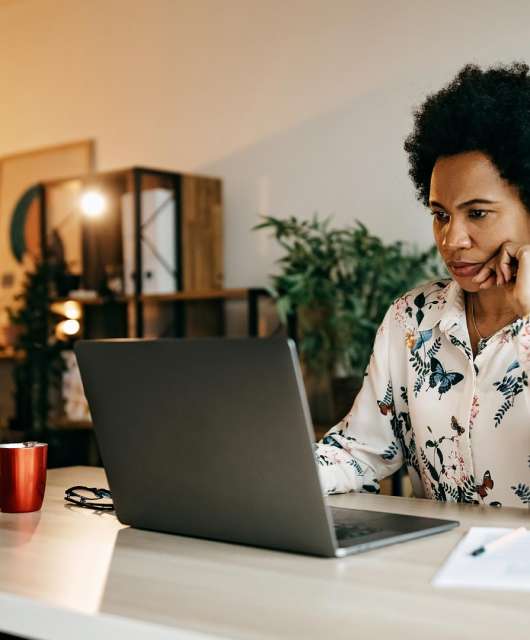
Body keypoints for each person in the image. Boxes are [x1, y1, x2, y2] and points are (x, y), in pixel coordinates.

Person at [315, 62, 530, 508]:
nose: (452, 240)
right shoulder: (411, 317)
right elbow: (360, 450)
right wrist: (251, 478)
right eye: (441, 215)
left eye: (478, 213)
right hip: (429, 569)